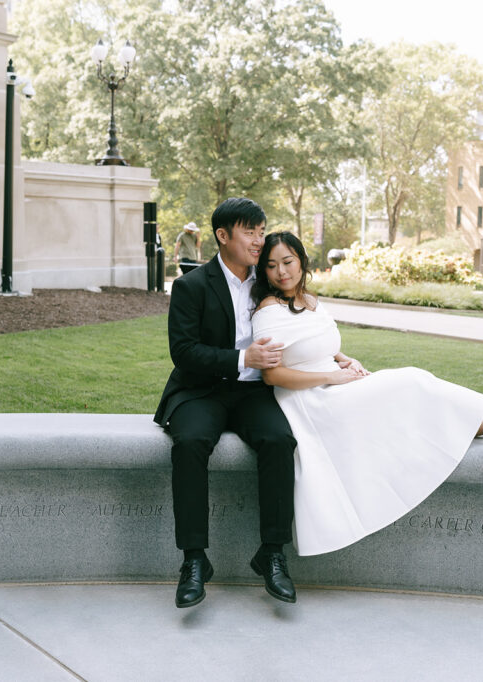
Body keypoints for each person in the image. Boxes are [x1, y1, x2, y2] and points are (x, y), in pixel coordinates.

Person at [250, 231, 483, 557]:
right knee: (412, 383)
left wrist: (345, 360)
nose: (281, 272)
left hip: (334, 383)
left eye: (287, 262)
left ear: (302, 261)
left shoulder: (312, 301)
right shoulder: (269, 309)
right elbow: (273, 375)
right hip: (311, 401)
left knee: (409, 394)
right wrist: (333, 375)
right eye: (271, 266)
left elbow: (314, 345)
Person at [154, 199, 298, 609]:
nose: (259, 240)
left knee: (279, 441)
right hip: (202, 389)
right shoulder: (191, 286)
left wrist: (338, 357)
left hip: (254, 391)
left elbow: (303, 322)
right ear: (223, 236)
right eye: (249, 231)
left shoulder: (268, 280)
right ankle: (195, 560)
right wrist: (241, 358)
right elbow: (183, 351)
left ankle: (271, 553)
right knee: (190, 442)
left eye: (261, 230)